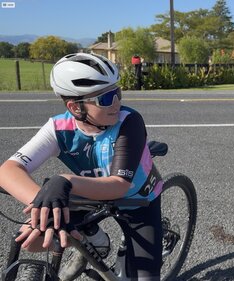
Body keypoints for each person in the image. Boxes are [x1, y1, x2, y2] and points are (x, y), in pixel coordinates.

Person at [0, 53, 164, 280]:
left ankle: (120, 243)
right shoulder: (58, 127)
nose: (117, 103)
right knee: (32, 239)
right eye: (105, 99)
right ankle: (96, 238)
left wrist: (65, 181)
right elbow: (8, 170)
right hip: (90, 193)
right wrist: (45, 206)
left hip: (137, 199)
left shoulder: (129, 121)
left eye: (117, 93)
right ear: (75, 107)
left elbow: (118, 186)